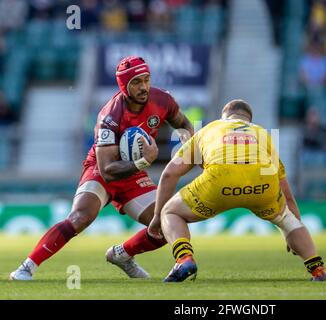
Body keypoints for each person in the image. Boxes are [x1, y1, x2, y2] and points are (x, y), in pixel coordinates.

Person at [10, 56, 194, 280]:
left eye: (146, 79)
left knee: (165, 223)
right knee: (80, 217)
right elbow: (107, 169)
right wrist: (144, 162)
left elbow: (183, 123)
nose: (143, 87)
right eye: (136, 82)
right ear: (124, 86)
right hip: (101, 170)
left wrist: (188, 145)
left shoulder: (162, 100)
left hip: (133, 173)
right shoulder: (110, 115)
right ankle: (26, 267)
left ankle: (122, 255)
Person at [148, 99, 326, 282]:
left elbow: (169, 174)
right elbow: (285, 188)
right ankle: (318, 270)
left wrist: (157, 217)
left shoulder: (209, 129)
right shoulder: (262, 134)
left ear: (224, 116)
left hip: (219, 181)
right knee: (287, 219)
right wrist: (294, 229)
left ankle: (184, 259)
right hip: (262, 184)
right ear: (248, 120)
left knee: (170, 211)